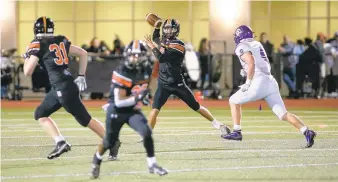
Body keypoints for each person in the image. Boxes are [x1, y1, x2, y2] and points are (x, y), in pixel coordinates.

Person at [21, 16, 118, 159]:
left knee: (85, 120)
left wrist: (26, 57)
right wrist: (81, 75)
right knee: (40, 114)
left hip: (63, 88)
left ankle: (112, 141)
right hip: (61, 86)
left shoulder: (37, 43)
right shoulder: (60, 40)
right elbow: (82, 53)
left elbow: (27, 71)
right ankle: (60, 142)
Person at [221, 25, 316, 148]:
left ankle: (237, 131)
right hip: (270, 81)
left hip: (258, 82)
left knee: (233, 100)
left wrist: (248, 81)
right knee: (283, 114)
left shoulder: (241, 46)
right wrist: (246, 71)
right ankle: (306, 131)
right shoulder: (257, 44)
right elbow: (258, 62)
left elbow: (251, 61)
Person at [91, 40, 167, 178]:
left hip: (132, 110)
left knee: (146, 132)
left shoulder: (145, 70)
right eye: (133, 55)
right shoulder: (121, 71)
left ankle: (152, 163)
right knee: (109, 141)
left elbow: (144, 89)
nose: (136, 58)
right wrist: (138, 98)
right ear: (127, 55)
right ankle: (97, 159)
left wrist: (144, 97)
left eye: (139, 55)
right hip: (116, 111)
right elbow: (119, 102)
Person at [143, 19, 230, 134]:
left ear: (176, 30)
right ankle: (147, 136)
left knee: (197, 107)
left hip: (178, 84)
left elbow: (161, 58)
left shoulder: (179, 45)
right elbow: (156, 38)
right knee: (155, 109)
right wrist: (157, 27)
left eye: (171, 29)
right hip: (163, 84)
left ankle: (217, 124)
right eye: (166, 28)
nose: (168, 31)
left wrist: (151, 46)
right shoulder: (165, 41)